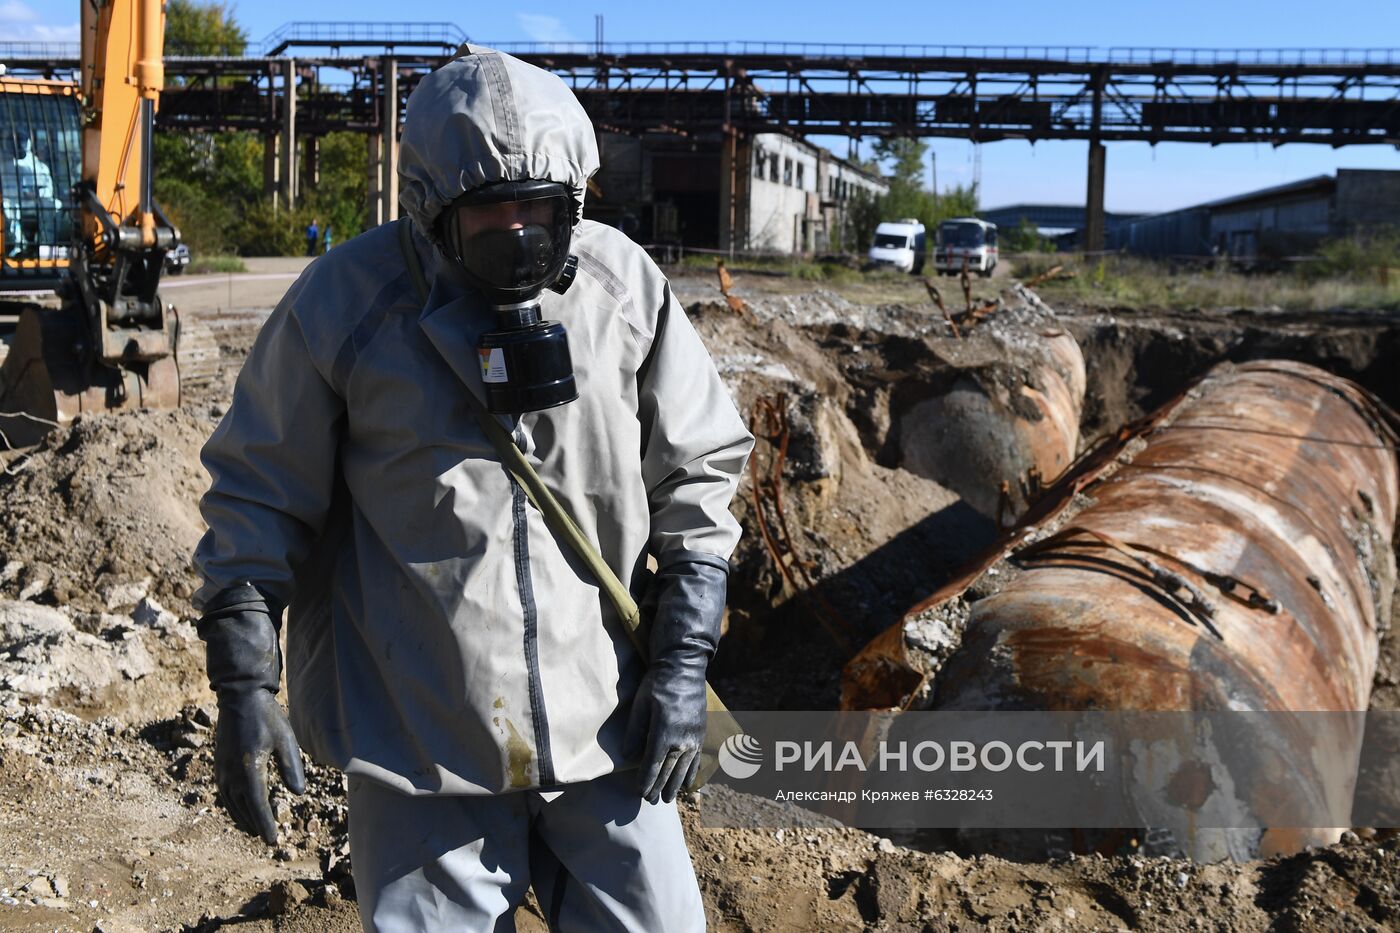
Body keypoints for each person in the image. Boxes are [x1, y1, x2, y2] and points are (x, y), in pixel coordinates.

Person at [192, 45, 753, 932]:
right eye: (492, 212)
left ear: (576, 197)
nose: (520, 234)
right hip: (420, 738)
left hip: (603, 725)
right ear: (428, 208)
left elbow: (699, 473)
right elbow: (256, 494)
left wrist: (682, 669)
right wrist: (243, 685)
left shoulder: (621, 292)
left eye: (541, 210)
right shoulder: (346, 306)